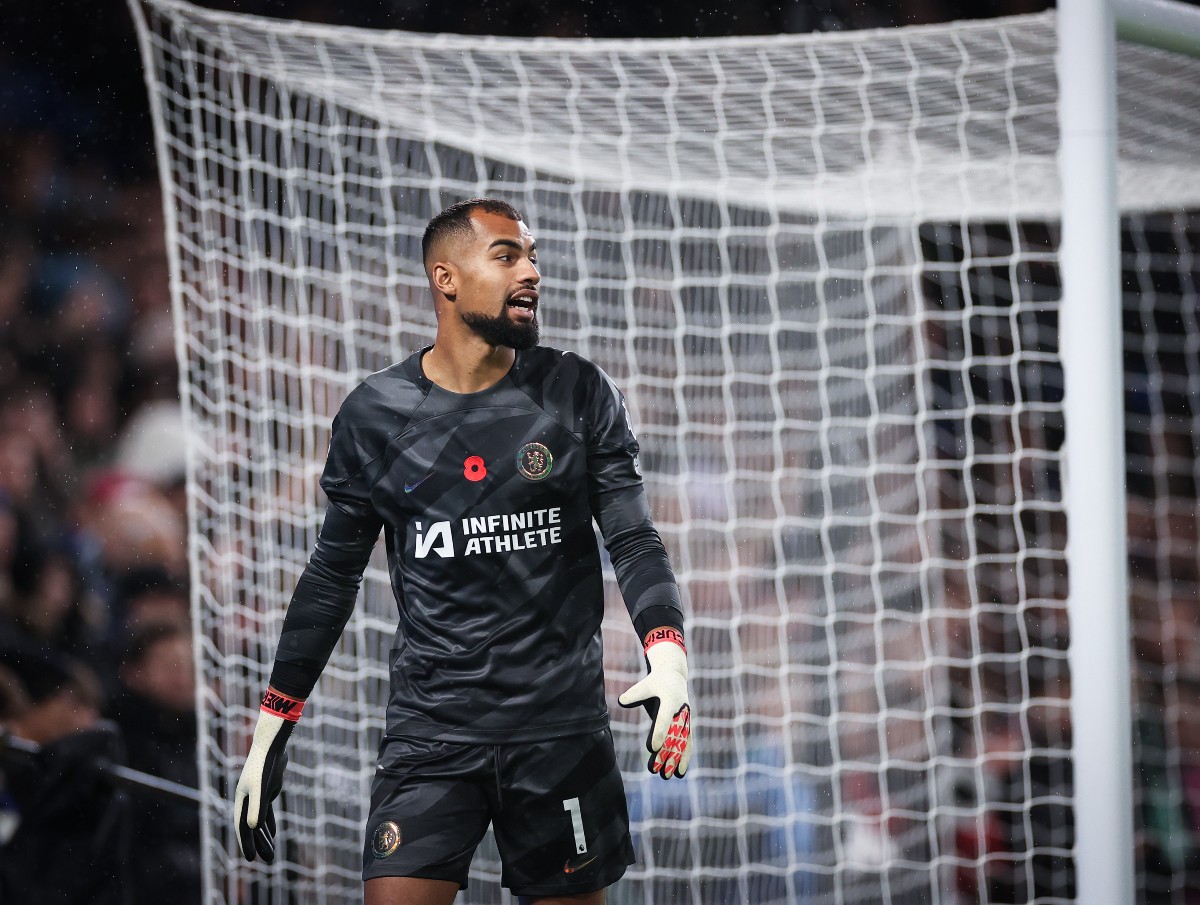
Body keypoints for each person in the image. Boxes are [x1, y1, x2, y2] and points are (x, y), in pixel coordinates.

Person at [233, 197, 693, 905]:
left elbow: (633, 536)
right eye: (507, 255)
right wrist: (273, 726)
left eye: (532, 256)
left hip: (560, 733)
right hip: (432, 736)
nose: (531, 271)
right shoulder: (375, 414)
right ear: (446, 279)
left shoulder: (576, 392)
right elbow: (331, 578)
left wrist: (666, 650)